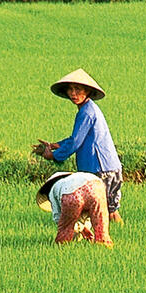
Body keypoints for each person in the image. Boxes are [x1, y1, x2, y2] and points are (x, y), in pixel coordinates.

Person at [36, 69, 125, 223]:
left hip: (101, 169)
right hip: (104, 167)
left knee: (106, 212)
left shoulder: (87, 113)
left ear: (87, 91)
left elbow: (76, 142)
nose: (73, 93)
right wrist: (56, 145)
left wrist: (53, 155)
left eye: (77, 89)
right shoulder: (87, 109)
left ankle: (111, 238)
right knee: (103, 210)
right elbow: (77, 138)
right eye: (70, 89)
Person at [35, 171, 112, 247]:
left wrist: (68, 226)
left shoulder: (52, 190)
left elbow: (58, 217)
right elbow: (87, 215)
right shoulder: (76, 177)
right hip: (97, 187)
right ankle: (103, 244)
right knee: (100, 224)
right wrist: (83, 227)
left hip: (71, 193)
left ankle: (62, 248)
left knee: (65, 228)